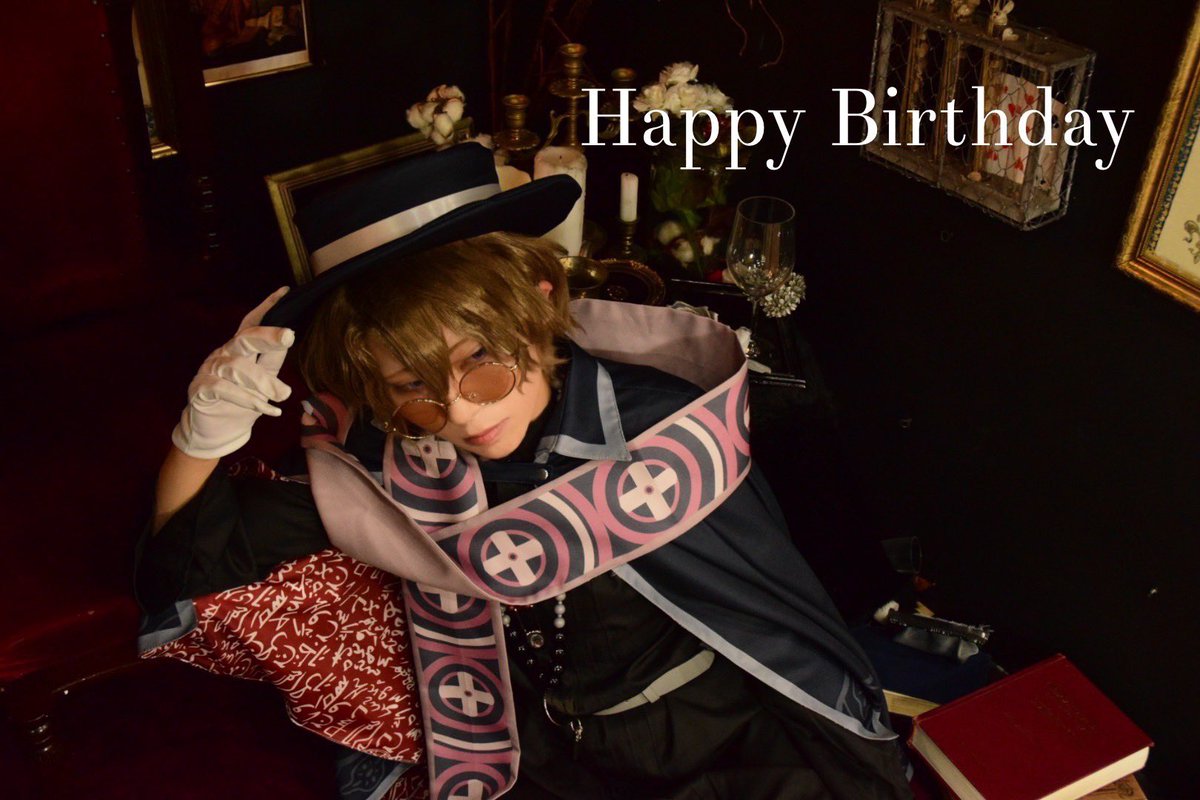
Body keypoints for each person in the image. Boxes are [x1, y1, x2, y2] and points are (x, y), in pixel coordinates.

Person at [137, 142, 912, 800]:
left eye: (479, 359)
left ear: (539, 306)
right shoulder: (386, 454)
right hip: (534, 765)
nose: (461, 411)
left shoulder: (663, 427)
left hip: (713, 754)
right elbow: (190, 563)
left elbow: (778, 622)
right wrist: (203, 431)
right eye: (412, 385)